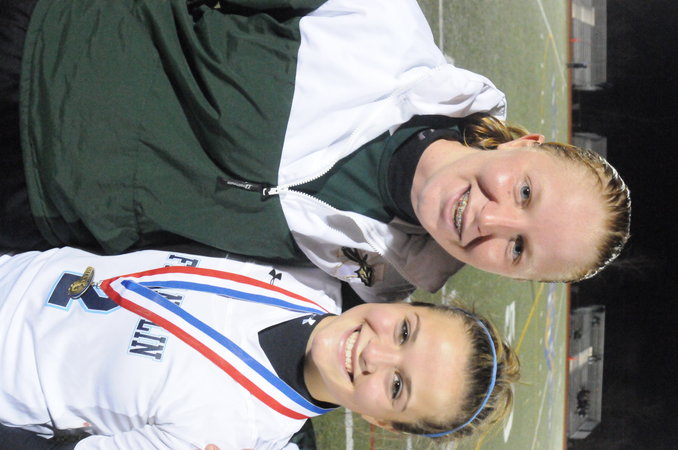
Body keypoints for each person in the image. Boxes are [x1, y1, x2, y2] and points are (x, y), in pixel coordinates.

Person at [1, 0, 630, 301]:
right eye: (525, 192)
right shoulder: (380, 26)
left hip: (33, 214)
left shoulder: (373, 291)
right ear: (527, 143)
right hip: (37, 51)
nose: (490, 218)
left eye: (518, 249)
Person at [0, 247, 518, 449]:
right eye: (405, 332)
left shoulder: (235, 437)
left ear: (383, 423)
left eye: (397, 386)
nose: (374, 354)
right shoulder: (312, 272)